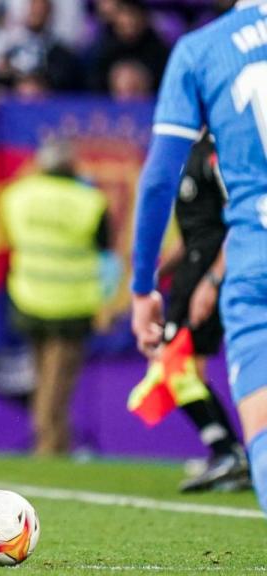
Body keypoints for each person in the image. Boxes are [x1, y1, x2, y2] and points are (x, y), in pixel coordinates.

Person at [130, 0, 267, 516]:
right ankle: (223, 448)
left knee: (179, 361)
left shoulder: (203, 51)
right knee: (177, 361)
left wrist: (144, 286)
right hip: (213, 265)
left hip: (244, 263)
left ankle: (230, 449)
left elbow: (157, 181)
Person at [128, 132, 249, 492]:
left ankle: (226, 451)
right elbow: (195, 229)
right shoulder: (188, 155)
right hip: (192, 269)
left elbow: (238, 223)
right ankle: (228, 455)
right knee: (185, 367)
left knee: (174, 364)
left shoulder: (219, 154)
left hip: (210, 270)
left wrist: (212, 280)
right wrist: (159, 270)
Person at [0, 140, 112, 456]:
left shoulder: (17, 195)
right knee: (56, 385)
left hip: (29, 297)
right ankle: (48, 446)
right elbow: (105, 252)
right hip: (71, 304)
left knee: (41, 379)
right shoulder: (90, 201)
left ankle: (53, 442)